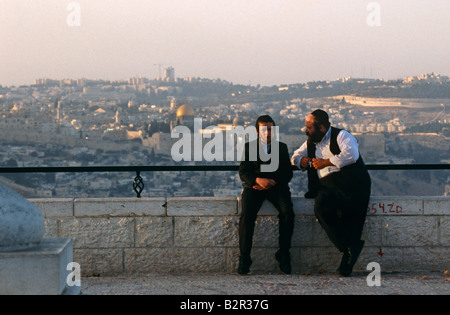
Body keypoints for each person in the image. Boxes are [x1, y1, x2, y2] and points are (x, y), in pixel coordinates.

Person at [291, 109, 371, 277]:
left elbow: (351, 155)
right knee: (321, 209)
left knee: (351, 219)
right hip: (327, 186)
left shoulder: (342, 135)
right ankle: (349, 247)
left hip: (351, 183)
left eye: (309, 127)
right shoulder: (311, 142)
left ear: (321, 127)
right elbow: (295, 157)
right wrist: (302, 161)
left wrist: (325, 162)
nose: (306, 131)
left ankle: (347, 261)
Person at [238, 115, 295, 275]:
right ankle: (244, 258)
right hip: (254, 187)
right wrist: (258, 180)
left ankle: (283, 254)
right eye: (264, 129)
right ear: (257, 131)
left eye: (270, 129)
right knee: (247, 215)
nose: (268, 133)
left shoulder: (281, 148)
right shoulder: (249, 147)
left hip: (276, 188)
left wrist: (272, 182)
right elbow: (243, 172)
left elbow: (287, 173)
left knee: (288, 213)